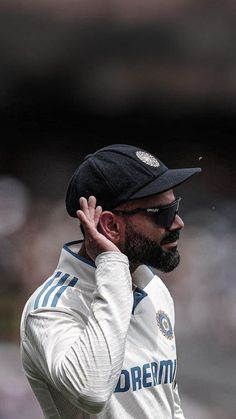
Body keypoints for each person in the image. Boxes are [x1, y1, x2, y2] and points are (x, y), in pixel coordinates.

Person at [20, 144, 201, 419]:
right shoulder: (49, 310)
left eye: (175, 207)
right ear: (111, 226)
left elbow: (167, 402)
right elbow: (91, 391)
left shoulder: (154, 289)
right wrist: (113, 265)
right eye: (162, 214)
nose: (178, 223)